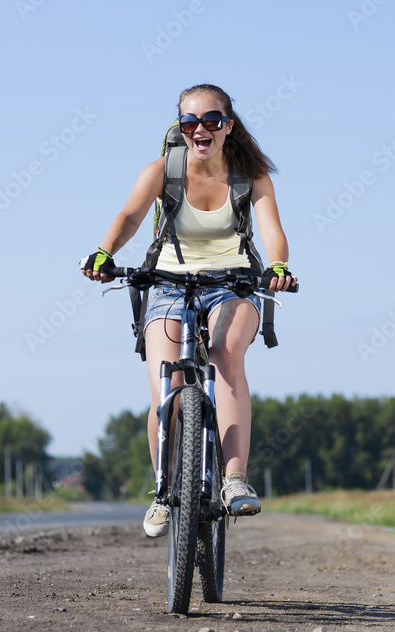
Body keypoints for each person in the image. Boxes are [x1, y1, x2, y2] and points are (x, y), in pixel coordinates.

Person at [80, 83, 297, 537]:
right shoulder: (163, 170)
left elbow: (272, 230)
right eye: (190, 121)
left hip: (234, 283)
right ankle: (163, 491)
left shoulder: (251, 175)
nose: (201, 129)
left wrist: (278, 266)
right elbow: (129, 217)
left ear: (228, 126)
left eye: (211, 120)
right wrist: (103, 251)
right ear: (181, 128)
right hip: (167, 283)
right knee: (168, 384)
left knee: (225, 356)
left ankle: (234, 480)